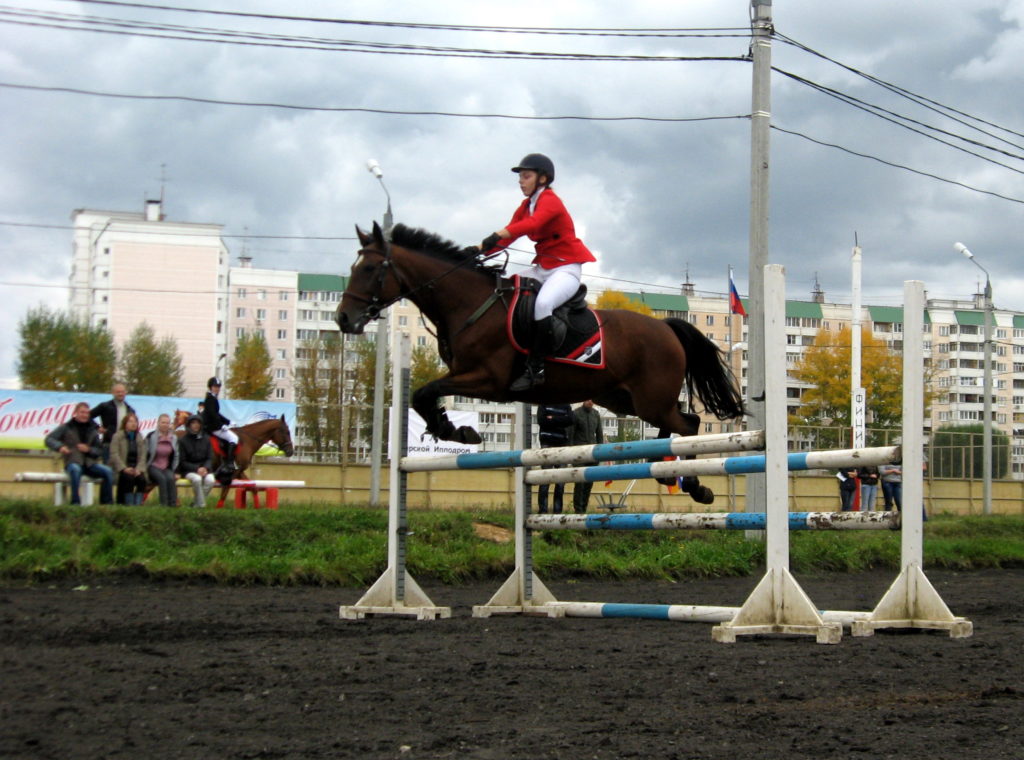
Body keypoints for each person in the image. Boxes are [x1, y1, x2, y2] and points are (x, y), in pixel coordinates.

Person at [478, 153, 597, 391]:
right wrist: (478, 252)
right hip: (544, 268)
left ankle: (537, 368)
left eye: (526, 176)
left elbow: (531, 226)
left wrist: (498, 233)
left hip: (566, 269)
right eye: (520, 177)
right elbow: (508, 237)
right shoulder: (526, 205)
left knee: (543, 305)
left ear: (542, 179)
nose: (521, 181)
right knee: (508, 287)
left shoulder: (550, 200)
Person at [44, 402, 114, 505]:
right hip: (73, 461)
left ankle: (106, 503)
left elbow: (99, 450)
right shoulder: (66, 427)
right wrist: (60, 447)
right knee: (75, 470)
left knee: (108, 471)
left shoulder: (93, 430)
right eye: (82, 412)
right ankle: (75, 502)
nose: (85, 415)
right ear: (75, 413)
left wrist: (89, 450)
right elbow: (49, 439)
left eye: (87, 413)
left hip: (90, 464)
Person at [535, 403, 573, 514]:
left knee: (560, 481)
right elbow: (542, 421)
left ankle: (557, 512)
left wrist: (553, 418)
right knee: (545, 479)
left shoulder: (565, 404)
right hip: (547, 444)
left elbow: (570, 420)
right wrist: (561, 420)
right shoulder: (544, 404)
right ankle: (543, 511)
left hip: (562, 445)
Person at [201, 376, 238, 482]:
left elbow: (217, 414)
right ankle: (230, 463)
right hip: (212, 427)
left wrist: (228, 421)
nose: (217, 388)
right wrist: (221, 426)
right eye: (215, 386)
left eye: (218, 387)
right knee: (233, 438)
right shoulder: (210, 399)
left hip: (214, 425)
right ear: (210, 387)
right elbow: (213, 415)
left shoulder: (212, 398)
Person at [569, 400, 604, 514]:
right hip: (579, 454)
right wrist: (571, 454)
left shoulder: (596, 414)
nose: (590, 402)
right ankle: (578, 510)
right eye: (588, 399)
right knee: (580, 484)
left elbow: (599, 435)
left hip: (592, 453)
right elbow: (571, 435)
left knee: (589, 484)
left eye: (592, 400)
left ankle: (584, 509)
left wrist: (600, 453)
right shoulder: (576, 414)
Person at [89, 382, 136, 463]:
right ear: (113, 393)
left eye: (122, 392)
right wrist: (97, 427)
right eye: (118, 392)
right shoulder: (105, 406)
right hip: (108, 443)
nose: (120, 394)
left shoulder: (130, 410)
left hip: (124, 445)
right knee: (108, 469)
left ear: (125, 393)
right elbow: (88, 416)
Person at [109, 412, 148, 505]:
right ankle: (127, 504)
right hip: (122, 469)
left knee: (142, 480)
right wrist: (124, 468)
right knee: (128, 479)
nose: (133, 424)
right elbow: (114, 454)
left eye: (135, 421)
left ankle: (138, 504)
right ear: (125, 424)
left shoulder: (139, 437)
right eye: (130, 421)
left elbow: (143, 455)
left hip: (136, 468)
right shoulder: (117, 436)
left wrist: (139, 469)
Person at [179, 414, 216, 507]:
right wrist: (197, 469)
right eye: (193, 423)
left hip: (205, 470)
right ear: (189, 425)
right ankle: (201, 506)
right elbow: (182, 462)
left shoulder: (207, 439)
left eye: (198, 423)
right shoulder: (183, 441)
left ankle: (196, 504)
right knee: (197, 479)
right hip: (189, 470)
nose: (196, 425)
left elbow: (210, 457)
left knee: (211, 480)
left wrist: (206, 468)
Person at [146, 413, 180, 506]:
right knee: (162, 479)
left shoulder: (174, 438)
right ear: (158, 423)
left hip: (166, 466)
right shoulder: (151, 436)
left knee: (170, 478)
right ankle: (163, 505)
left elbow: (176, 455)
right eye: (163, 422)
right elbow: (146, 453)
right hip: (153, 465)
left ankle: (173, 505)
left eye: (167, 423)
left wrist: (175, 470)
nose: (165, 425)